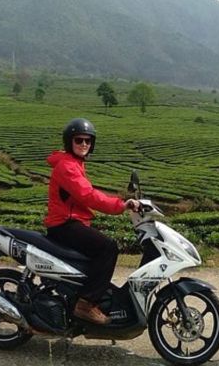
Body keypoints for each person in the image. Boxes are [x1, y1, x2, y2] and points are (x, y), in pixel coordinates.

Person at [44, 118, 139, 325]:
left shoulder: (75, 163)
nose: (84, 144)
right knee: (108, 247)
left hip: (72, 222)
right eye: (79, 140)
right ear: (70, 141)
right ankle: (86, 304)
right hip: (64, 225)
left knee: (98, 249)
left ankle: (85, 294)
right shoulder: (67, 166)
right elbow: (88, 195)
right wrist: (120, 205)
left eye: (88, 141)